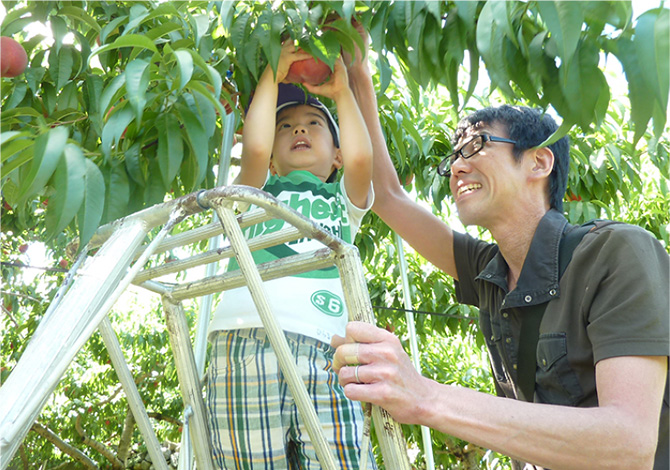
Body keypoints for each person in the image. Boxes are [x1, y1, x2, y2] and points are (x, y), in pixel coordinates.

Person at [332, 26, 669, 470]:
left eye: (475, 144)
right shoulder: (488, 270)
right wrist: (354, 75)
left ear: (539, 161)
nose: (457, 166)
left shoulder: (617, 253)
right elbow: (388, 196)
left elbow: (629, 444)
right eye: (452, 156)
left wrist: (427, 396)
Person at [206, 42, 376, 470]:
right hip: (242, 337)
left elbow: (361, 157)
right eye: (285, 126)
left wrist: (341, 92)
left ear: (335, 155)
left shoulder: (344, 199)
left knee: (340, 460)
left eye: (314, 123)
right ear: (276, 163)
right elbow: (256, 150)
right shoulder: (258, 191)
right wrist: (272, 69)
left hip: (326, 347)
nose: (299, 130)